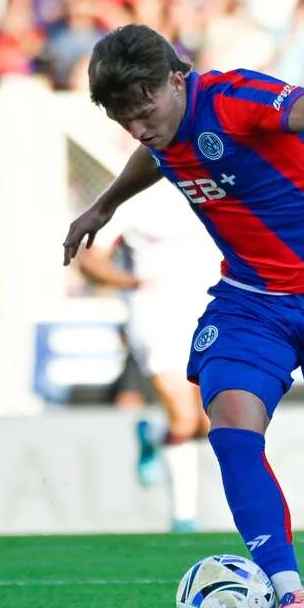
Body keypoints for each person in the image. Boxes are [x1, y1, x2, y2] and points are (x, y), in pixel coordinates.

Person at [63, 25, 304, 608]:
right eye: (125, 119)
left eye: (146, 112)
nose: (140, 129)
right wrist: (106, 204)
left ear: (176, 80)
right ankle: (290, 596)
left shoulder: (231, 99)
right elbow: (158, 155)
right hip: (250, 302)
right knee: (231, 426)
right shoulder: (161, 130)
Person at [78, 179, 221, 533]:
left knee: (208, 422)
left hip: (207, 313)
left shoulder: (210, 182)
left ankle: (154, 435)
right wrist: (132, 284)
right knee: (183, 417)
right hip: (155, 318)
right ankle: (183, 518)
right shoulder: (134, 198)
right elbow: (91, 261)